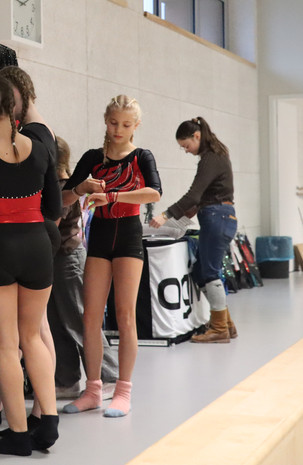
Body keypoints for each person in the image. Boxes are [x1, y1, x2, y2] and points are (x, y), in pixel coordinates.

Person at [0, 75, 62, 456]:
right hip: (38, 246)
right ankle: (49, 421)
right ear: (14, 105)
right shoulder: (39, 148)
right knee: (32, 336)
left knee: (6, 344)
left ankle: (19, 434)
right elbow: (53, 207)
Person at [61, 95, 162, 418]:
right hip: (100, 238)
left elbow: (154, 192)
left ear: (136, 126)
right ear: (106, 121)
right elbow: (63, 199)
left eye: (126, 124)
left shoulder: (142, 156)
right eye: (114, 123)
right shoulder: (93, 158)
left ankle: (123, 391)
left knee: (125, 315)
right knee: (90, 316)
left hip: (128, 236)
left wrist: (113, 195)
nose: (119, 129)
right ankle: (93, 389)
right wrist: (80, 189)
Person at [150, 117, 238, 343]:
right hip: (219, 217)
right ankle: (226, 323)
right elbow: (208, 194)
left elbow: (193, 194)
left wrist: (166, 215)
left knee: (210, 272)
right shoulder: (217, 155)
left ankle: (219, 329)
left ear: (197, 136)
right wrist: (189, 212)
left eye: (186, 145)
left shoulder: (210, 157)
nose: (186, 150)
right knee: (200, 272)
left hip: (217, 217)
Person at [49, 136, 119, 397]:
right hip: (55, 260)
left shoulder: (64, 187)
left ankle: (108, 376)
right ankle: (66, 380)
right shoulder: (60, 186)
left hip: (68, 259)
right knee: (56, 323)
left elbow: (54, 221)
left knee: (80, 320)